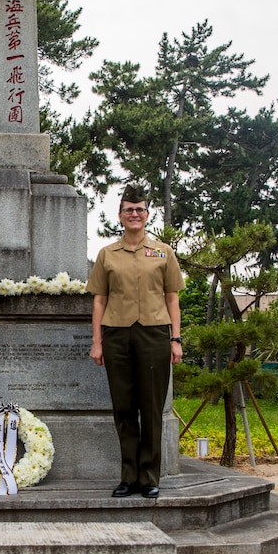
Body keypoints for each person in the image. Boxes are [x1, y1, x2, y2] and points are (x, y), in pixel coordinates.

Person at [87, 185, 184, 499]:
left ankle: (149, 477)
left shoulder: (162, 252)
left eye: (139, 209)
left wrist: (176, 339)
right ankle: (129, 476)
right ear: (120, 215)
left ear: (147, 214)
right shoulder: (107, 255)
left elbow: (173, 299)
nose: (134, 214)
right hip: (116, 335)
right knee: (124, 408)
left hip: (154, 334)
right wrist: (97, 342)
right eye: (128, 209)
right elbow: (99, 301)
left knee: (151, 408)